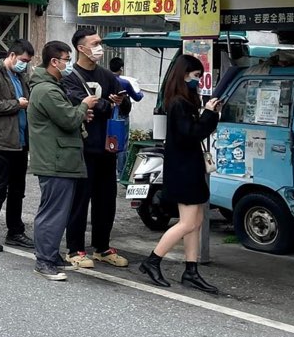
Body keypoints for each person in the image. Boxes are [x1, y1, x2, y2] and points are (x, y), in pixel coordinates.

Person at [139, 54, 223, 293]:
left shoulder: (181, 101)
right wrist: (208, 113)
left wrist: (209, 114)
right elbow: (191, 134)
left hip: (188, 167)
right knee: (188, 223)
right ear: (184, 74)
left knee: (195, 223)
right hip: (184, 169)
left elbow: (195, 132)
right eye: (196, 76)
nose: (198, 81)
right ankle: (152, 261)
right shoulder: (178, 103)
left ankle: (191, 270)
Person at [60, 26, 132, 270]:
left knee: (106, 200)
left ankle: (102, 247)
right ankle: (75, 249)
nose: (99, 48)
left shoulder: (107, 76)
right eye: (95, 43)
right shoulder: (70, 76)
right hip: (82, 148)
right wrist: (103, 104)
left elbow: (123, 105)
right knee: (80, 200)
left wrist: (120, 101)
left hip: (107, 148)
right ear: (81, 48)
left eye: (100, 43)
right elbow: (77, 104)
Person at [30, 41, 96, 281]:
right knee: (53, 212)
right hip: (54, 159)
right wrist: (83, 107)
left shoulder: (50, 87)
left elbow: (65, 117)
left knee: (57, 210)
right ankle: (44, 260)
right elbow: (68, 120)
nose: (69, 64)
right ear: (54, 62)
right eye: (67, 59)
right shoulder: (47, 90)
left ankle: (51, 255)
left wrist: (79, 113)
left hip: (60, 158)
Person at [0, 39, 36, 252]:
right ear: (11, 55)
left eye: (27, 62)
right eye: (22, 60)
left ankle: (15, 231)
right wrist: (16, 104)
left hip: (19, 140)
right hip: (1, 141)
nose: (24, 64)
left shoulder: (21, 76)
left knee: (18, 189)